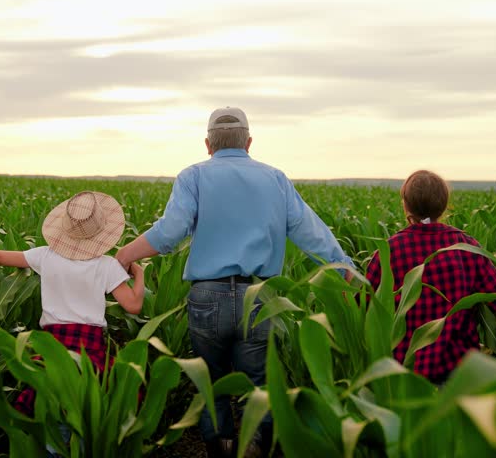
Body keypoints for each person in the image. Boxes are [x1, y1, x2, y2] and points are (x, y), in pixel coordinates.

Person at [116, 106, 355, 458]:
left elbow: (169, 232)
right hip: (260, 297)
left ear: (208, 144)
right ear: (249, 142)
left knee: (210, 384)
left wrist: (125, 255)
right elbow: (310, 232)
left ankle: (221, 448)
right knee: (259, 385)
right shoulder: (274, 178)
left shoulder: (193, 176)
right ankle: (256, 445)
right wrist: (343, 269)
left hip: (207, 297)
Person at [0, 191, 145, 456]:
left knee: (52, 411)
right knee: (82, 413)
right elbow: (133, 305)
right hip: (89, 351)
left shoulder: (46, 256)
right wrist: (139, 274)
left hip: (51, 347)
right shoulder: (106, 266)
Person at [365, 170, 496, 384]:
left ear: (405, 205)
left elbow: (361, 303)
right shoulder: (466, 248)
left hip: (405, 375)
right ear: (444, 206)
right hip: (459, 373)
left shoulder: (389, 251)